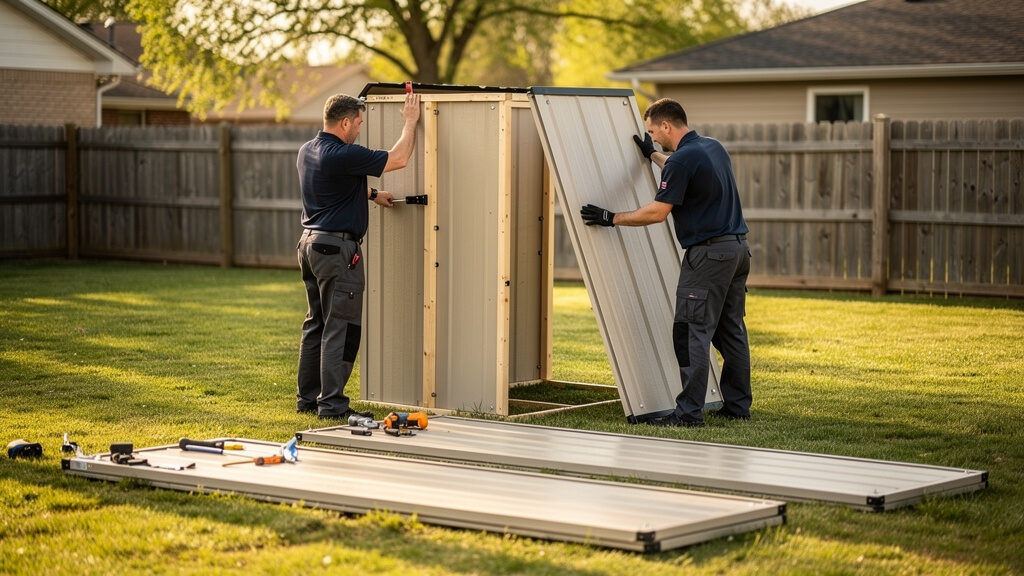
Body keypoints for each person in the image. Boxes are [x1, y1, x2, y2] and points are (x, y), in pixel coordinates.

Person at [580, 98, 751, 428]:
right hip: (737, 251)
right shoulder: (712, 148)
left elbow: (658, 213)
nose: (653, 137)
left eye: (653, 132)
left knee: (690, 331)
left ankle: (687, 415)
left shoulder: (682, 160)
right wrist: (652, 156)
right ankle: (738, 406)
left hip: (708, 256)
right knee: (730, 330)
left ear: (666, 126)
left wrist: (610, 217)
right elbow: (681, 169)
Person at [295, 91, 421, 419]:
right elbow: (399, 158)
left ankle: (308, 399)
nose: (360, 130)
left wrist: (374, 194)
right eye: (359, 123)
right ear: (346, 122)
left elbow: (337, 186)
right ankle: (332, 404)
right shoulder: (344, 154)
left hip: (309, 245)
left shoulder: (308, 151)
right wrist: (410, 122)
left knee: (316, 323)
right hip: (338, 251)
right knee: (340, 325)